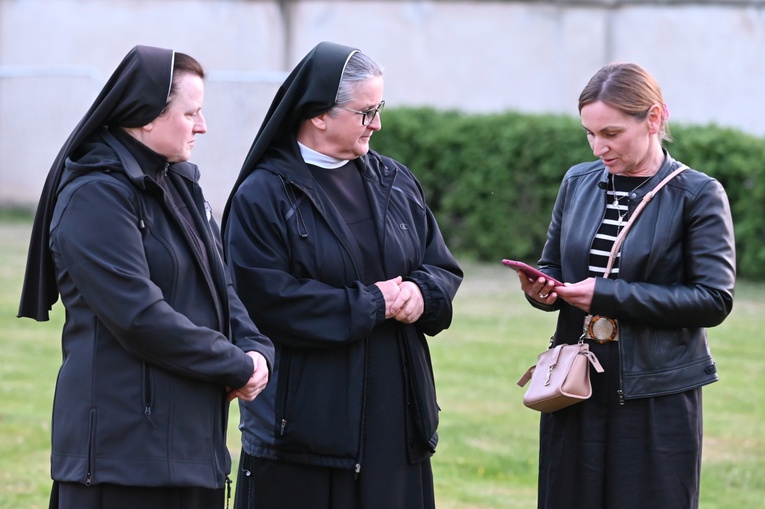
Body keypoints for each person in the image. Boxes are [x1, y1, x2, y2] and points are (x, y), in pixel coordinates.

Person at [17, 45, 274, 509]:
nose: (202, 126)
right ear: (147, 116)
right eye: (191, 113)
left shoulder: (181, 186)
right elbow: (138, 316)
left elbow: (223, 287)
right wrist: (235, 366)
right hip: (123, 461)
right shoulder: (94, 196)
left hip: (192, 452)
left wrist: (257, 350)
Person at [221, 41, 463, 509]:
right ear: (318, 115)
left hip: (395, 419)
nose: (377, 123)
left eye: (379, 108)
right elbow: (266, 301)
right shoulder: (264, 195)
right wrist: (375, 303)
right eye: (366, 111)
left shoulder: (394, 178)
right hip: (307, 428)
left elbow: (440, 265)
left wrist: (420, 291)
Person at [515, 62, 736, 508]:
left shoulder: (697, 194)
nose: (599, 147)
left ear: (654, 119)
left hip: (656, 393)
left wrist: (605, 295)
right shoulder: (577, 182)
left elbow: (713, 299)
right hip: (574, 383)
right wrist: (542, 290)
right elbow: (554, 265)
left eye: (611, 133)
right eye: (590, 133)